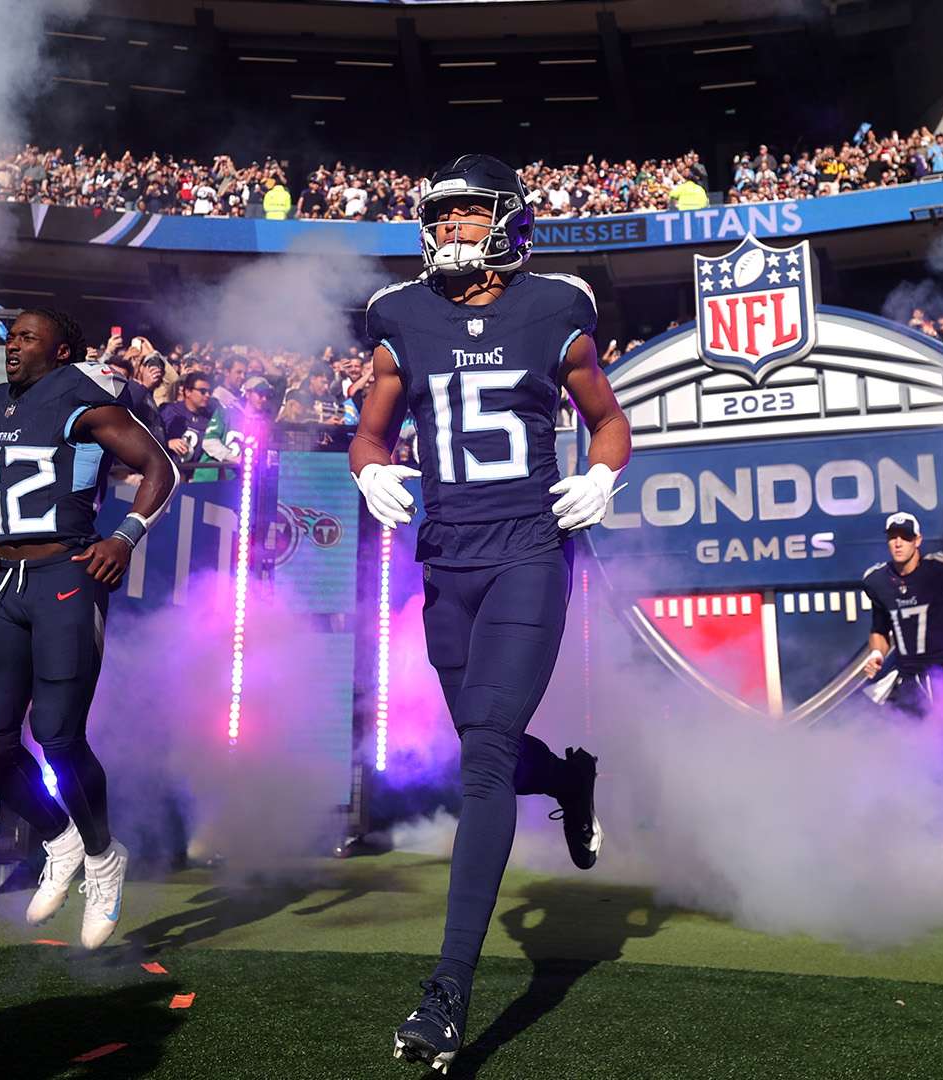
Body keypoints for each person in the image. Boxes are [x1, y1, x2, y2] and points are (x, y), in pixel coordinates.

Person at [348, 153, 630, 1074]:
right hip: (446, 558)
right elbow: (372, 429)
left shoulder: (556, 307)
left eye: (467, 213)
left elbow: (606, 416)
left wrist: (600, 474)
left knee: (485, 764)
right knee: (485, 747)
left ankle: (447, 992)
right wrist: (370, 468)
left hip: (527, 552)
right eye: (442, 215)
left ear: (507, 219)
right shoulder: (401, 316)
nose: (450, 229)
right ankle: (570, 780)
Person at [0, 308, 177, 950]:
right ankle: (60, 838)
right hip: (2, 581)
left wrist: (124, 536)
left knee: (57, 736)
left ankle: (104, 855)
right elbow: (7, 497)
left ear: (61, 353)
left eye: (30, 338)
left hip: (65, 574)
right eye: (12, 336)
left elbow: (160, 467)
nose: (14, 346)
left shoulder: (81, 398)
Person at [859, 512, 943, 791]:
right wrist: (876, 656)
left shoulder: (939, 573)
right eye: (893, 537)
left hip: (942, 674)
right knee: (903, 756)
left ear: (917, 541)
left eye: (905, 537)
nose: (898, 543)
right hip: (905, 678)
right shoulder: (878, 582)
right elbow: (880, 630)